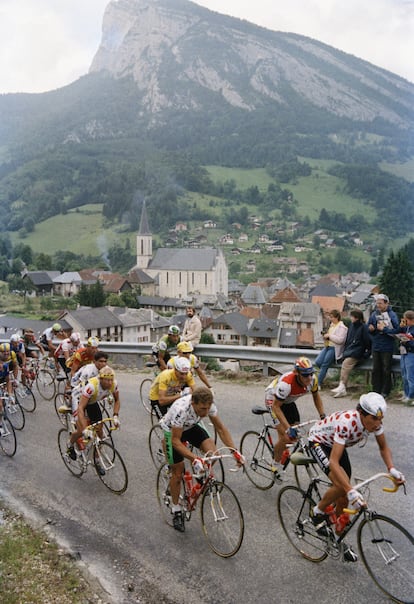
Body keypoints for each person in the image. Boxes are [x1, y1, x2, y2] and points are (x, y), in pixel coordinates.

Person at [307, 392, 405, 562]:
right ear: (362, 414)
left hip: (337, 444)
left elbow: (383, 448)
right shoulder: (347, 423)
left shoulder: (375, 422)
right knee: (341, 486)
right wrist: (351, 491)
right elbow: (333, 463)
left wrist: (392, 469)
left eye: (380, 419)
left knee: (344, 498)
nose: (378, 423)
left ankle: (338, 540)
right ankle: (317, 511)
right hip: (319, 441)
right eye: (374, 419)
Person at [159, 386, 244, 532]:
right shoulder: (181, 410)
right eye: (202, 409)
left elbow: (221, 429)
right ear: (193, 403)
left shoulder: (208, 405)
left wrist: (235, 452)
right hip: (173, 432)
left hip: (191, 426)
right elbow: (176, 441)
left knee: (213, 454)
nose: (205, 413)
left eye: (207, 409)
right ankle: (176, 509)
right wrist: (194, 458)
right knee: (178, 473)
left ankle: (198, 478)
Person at [265, 357, 326, 471]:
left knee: (296, 431)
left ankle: (283, 450)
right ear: (296, 373)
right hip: (274, 401)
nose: (309, 378)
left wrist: (322, 415)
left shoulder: (313, 380)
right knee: (286, 436)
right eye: (305, 375)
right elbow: (276, 407)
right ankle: (275, 465)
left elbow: (316, 396)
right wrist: (288, 428)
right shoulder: (286, 384)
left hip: (288, 401)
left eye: (310, 374)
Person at [66, 366, 120, 471]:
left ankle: (97, 460)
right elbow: (81, 408)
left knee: (99, 433)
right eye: (107, 380)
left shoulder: (114, 385)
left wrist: (116, 416)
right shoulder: (92, 386)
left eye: (111, 380)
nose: (109, 383)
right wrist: (85, 428)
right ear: (100, 379)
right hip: (79, 399)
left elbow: (117, 400)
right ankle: (70, 444)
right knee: (82, 430)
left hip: (92, 401)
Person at [331, 309, 371, 398]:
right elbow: (348, 339)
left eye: (352, 316)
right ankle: (342, 386)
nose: (350, 318)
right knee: (345, 364)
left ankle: (342, 386)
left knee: (346, 364)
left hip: (357, 352)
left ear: (356, 318)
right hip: (350, 350)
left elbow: (367, 341)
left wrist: (366, 353)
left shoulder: (363, 327)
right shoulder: (352, 326)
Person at [367, 294, 399, 398]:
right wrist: (370, 328)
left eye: (380, 303)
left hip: (387, 346)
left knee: (386, 369)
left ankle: (385, 391)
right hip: (376, 344)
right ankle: (375, 390)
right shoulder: (374, 314)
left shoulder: (392, 315)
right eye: (377, 303)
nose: (378, 305)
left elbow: (397, 331)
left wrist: (384, 329)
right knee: (376, 369)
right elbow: (369, 326)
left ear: (386, 303)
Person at [315, 310, 348, 387]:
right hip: (327, 346)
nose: (330, 319)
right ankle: (322, 376)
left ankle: (318, 384)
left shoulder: (342, 327)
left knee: (324, 364)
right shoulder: (332, 325)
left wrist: (329, 336)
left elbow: (340, 340)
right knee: (318, 362)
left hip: (334, 348)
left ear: (336, 317)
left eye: (332, 317)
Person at [396, 310, 414, 405]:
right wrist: (400, 327)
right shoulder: (406, 328)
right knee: (404, 375)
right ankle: (406, 393)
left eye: (405, 320)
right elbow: (396, 331)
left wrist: (408, 341)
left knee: (410, 376)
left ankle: (411, 395)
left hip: (411, 353)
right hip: (404, 352)